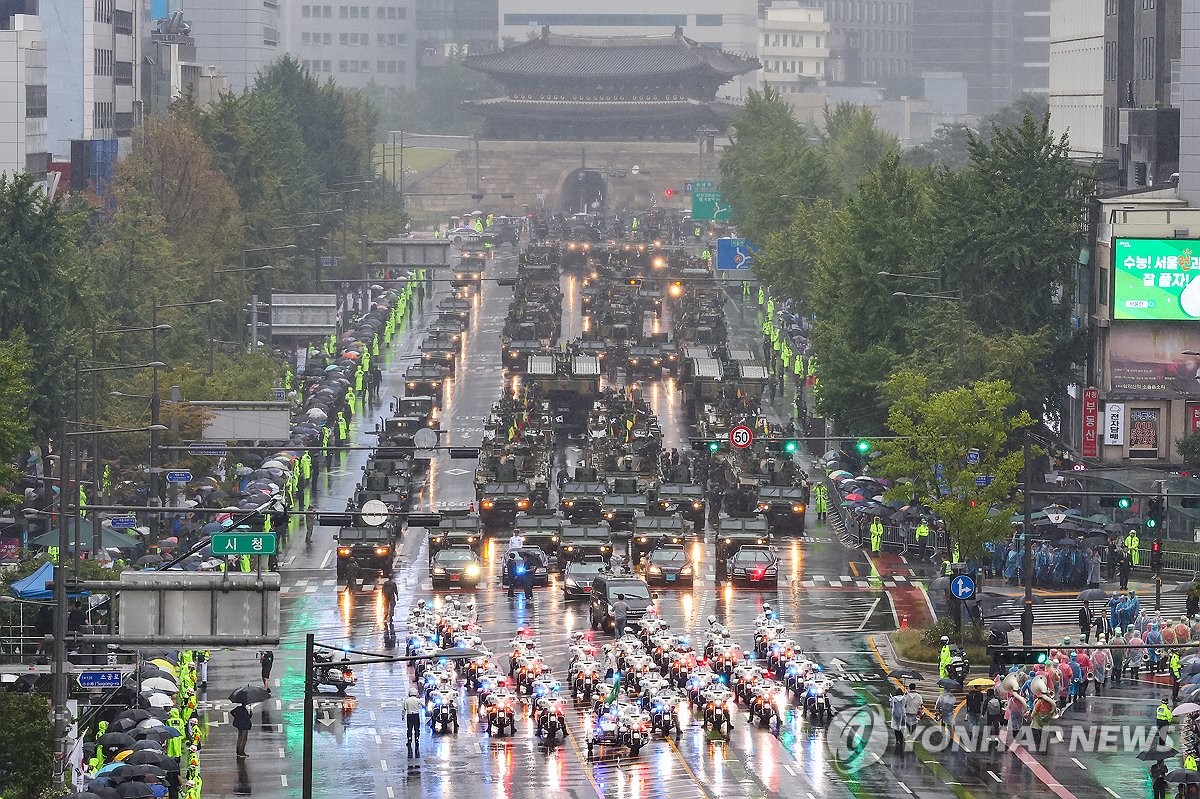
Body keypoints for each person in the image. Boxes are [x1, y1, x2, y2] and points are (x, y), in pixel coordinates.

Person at [405, 687, 423, 756]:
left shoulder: (407, 700)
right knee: (416, 729)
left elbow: (404, 709)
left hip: (409, 715)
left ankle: (409, 740)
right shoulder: (418, 700)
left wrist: (403, 716)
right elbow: (423, 705)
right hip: (416, 715)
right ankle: (417, 740)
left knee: (409, 729)